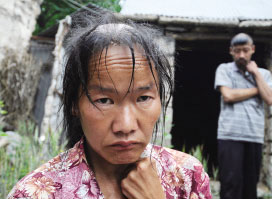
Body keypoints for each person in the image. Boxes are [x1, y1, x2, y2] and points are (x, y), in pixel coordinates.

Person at [8, 10, 211, 199]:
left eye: (143, 98)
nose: (126, 126)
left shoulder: (186, 175)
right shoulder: (36, 193)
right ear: (74, 105)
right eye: (104, 100)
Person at [214, 33, 272, 199]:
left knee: (250, 187)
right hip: (229, 135)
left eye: (245, 50)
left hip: (254, 136)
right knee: (230, 185)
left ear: (252, 50)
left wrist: (256, 73)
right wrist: (258, 91)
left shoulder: (264, 74)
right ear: (231, 51)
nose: (241, 55)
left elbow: (270, 98)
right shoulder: (224, 69)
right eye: (237, 51)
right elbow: (228, 95)